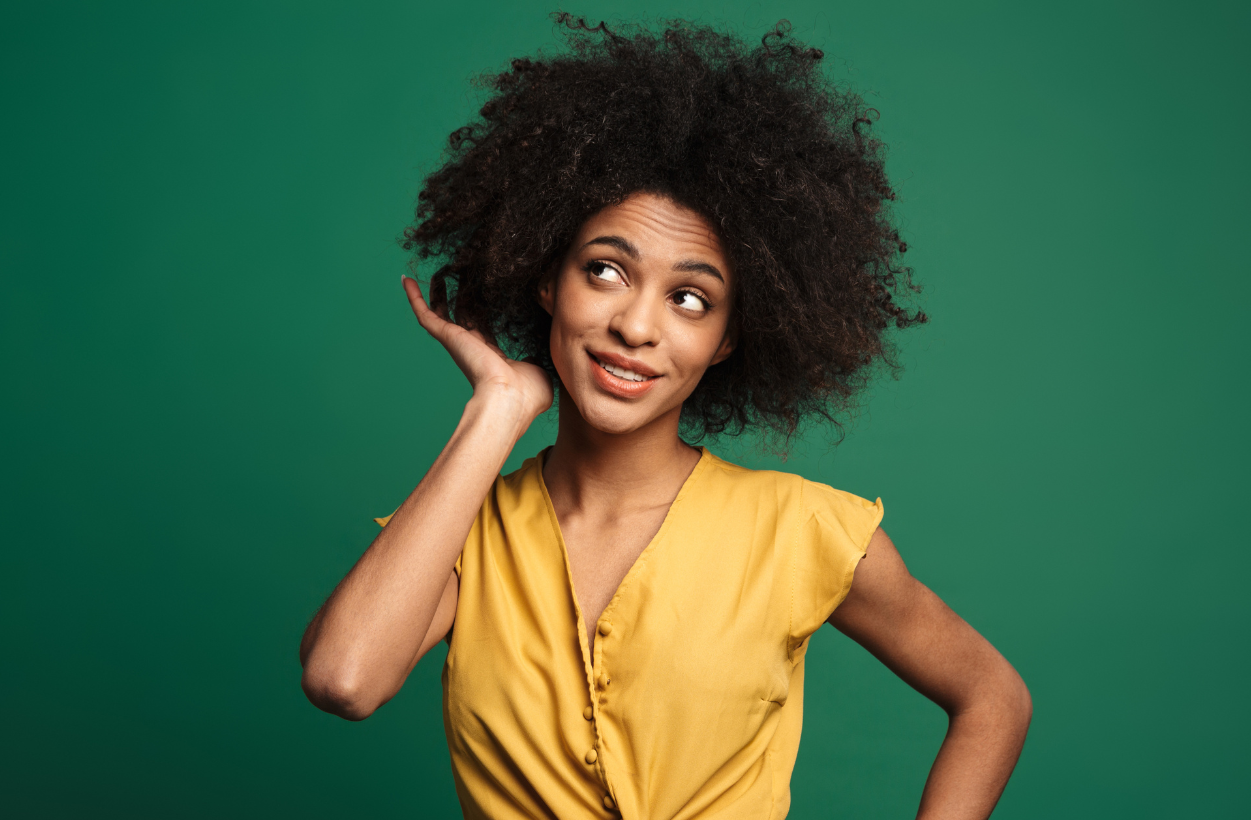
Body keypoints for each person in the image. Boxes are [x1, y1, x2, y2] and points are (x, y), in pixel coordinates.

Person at [299, 13, 1031, 819]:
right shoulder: (463, 538)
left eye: (690, 298)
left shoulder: (802, 530)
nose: (638, 327)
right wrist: (499, 409)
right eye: (606, 270)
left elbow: (991, 695)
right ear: (548, 281)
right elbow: (344, 679)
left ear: (725, 341)